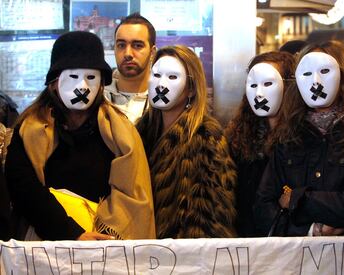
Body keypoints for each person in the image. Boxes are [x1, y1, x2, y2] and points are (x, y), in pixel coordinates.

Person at [5, 31, 155, 241]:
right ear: (55, 82)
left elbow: (131, 194)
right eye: (73, 76)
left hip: (104, 248)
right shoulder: (29, 129)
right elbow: (24, 188)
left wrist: (104, 236)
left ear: (101, 83)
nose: (82, 87)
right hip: (41, 246)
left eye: (91, 77)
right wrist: (73, 234)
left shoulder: (120, 132)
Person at [254, 42, 344, 237]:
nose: (315, 82)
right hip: (298, 257)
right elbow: (263, 206)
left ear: (342, 77)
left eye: (325, 71)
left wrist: (295, 198)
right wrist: (308, 231)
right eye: (306, 73)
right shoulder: (288, 135)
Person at [137, 45, 237, 238]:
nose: (161, 85)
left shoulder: (206, 137)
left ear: (191, 88)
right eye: (156, 75)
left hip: (183, 257)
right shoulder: (140, 133)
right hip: (142, 250)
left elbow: (210, 218)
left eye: (173, 77)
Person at [225, 51, 295, 237]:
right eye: (253, 84)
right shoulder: (237, 139)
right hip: (247, 244)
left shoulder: (302, 139)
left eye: (268, 83)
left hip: (292, 243)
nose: (259, 93)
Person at [104, 13, 156, 124]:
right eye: (121, 45)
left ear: (152, 52)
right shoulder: (99, 96)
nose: (128, 54)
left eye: (137, 45)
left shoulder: (163, 98)